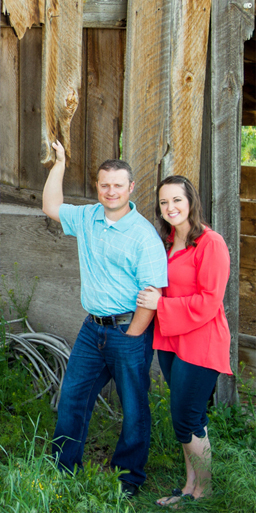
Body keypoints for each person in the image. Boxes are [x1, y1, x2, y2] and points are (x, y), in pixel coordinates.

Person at [42, 141, 168, 497]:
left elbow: (152, 292)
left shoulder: (143, 236)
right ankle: (63, 468)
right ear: (98, 186)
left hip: (130, 330)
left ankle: (128, 479)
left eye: (118, 185)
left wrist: (132, 336)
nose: (110, 191)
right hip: (91, 329)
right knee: (72, 398)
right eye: (104, 184)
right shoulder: (88, 217)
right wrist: (61, 162)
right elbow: (51, 205)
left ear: (131, 188)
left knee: (133, 406)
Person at [136, 176, 232, 507]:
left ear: (191, 201)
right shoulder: (165, 242)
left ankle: (204, 490)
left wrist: (160, 306)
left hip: (201, 341)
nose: (170, 208)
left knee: (186, 417)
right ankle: (190, 485)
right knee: (189, 417)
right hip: (171, 340)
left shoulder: (210, 243)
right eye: (164, 202)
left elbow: (209, 300)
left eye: (177, 200)